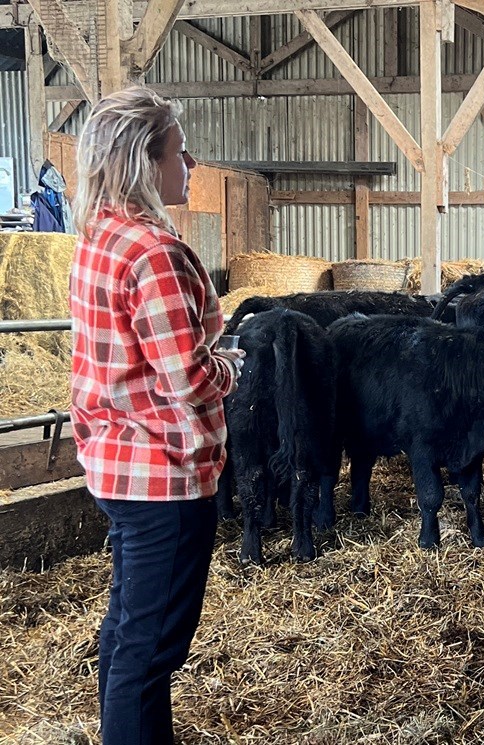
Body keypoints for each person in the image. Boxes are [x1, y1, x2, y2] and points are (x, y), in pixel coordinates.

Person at [69, 86, 245, 745]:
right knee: (150, 650)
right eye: (179, 150)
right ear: (145, 161)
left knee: (128, 631)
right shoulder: (154, 254)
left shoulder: (100, 237)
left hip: (115, 462)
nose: (191, 163)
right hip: (163, 474)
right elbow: (189, 378)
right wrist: (230, 366)